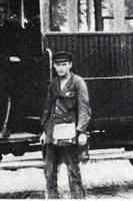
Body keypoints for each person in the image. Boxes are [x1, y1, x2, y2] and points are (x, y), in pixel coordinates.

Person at [40, 51, 91, 199]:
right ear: (54, 66)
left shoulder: (78, 82)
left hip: (70, 131)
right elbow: (48, 108)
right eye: (58, 65)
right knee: (49, 171)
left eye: (64, 65)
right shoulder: (54, 84)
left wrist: (81, 131)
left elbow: (84, 108)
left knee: (73, 170)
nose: (61, 68)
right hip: (53, 131)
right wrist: (44, 131)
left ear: (70, 65)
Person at [0, 3, 26, 138]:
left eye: (3, 12)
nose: (0, 15)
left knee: (13, 97)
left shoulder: (13, 28)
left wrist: (16, 58)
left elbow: (22, 47)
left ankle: (10, 127)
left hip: (11, 70)